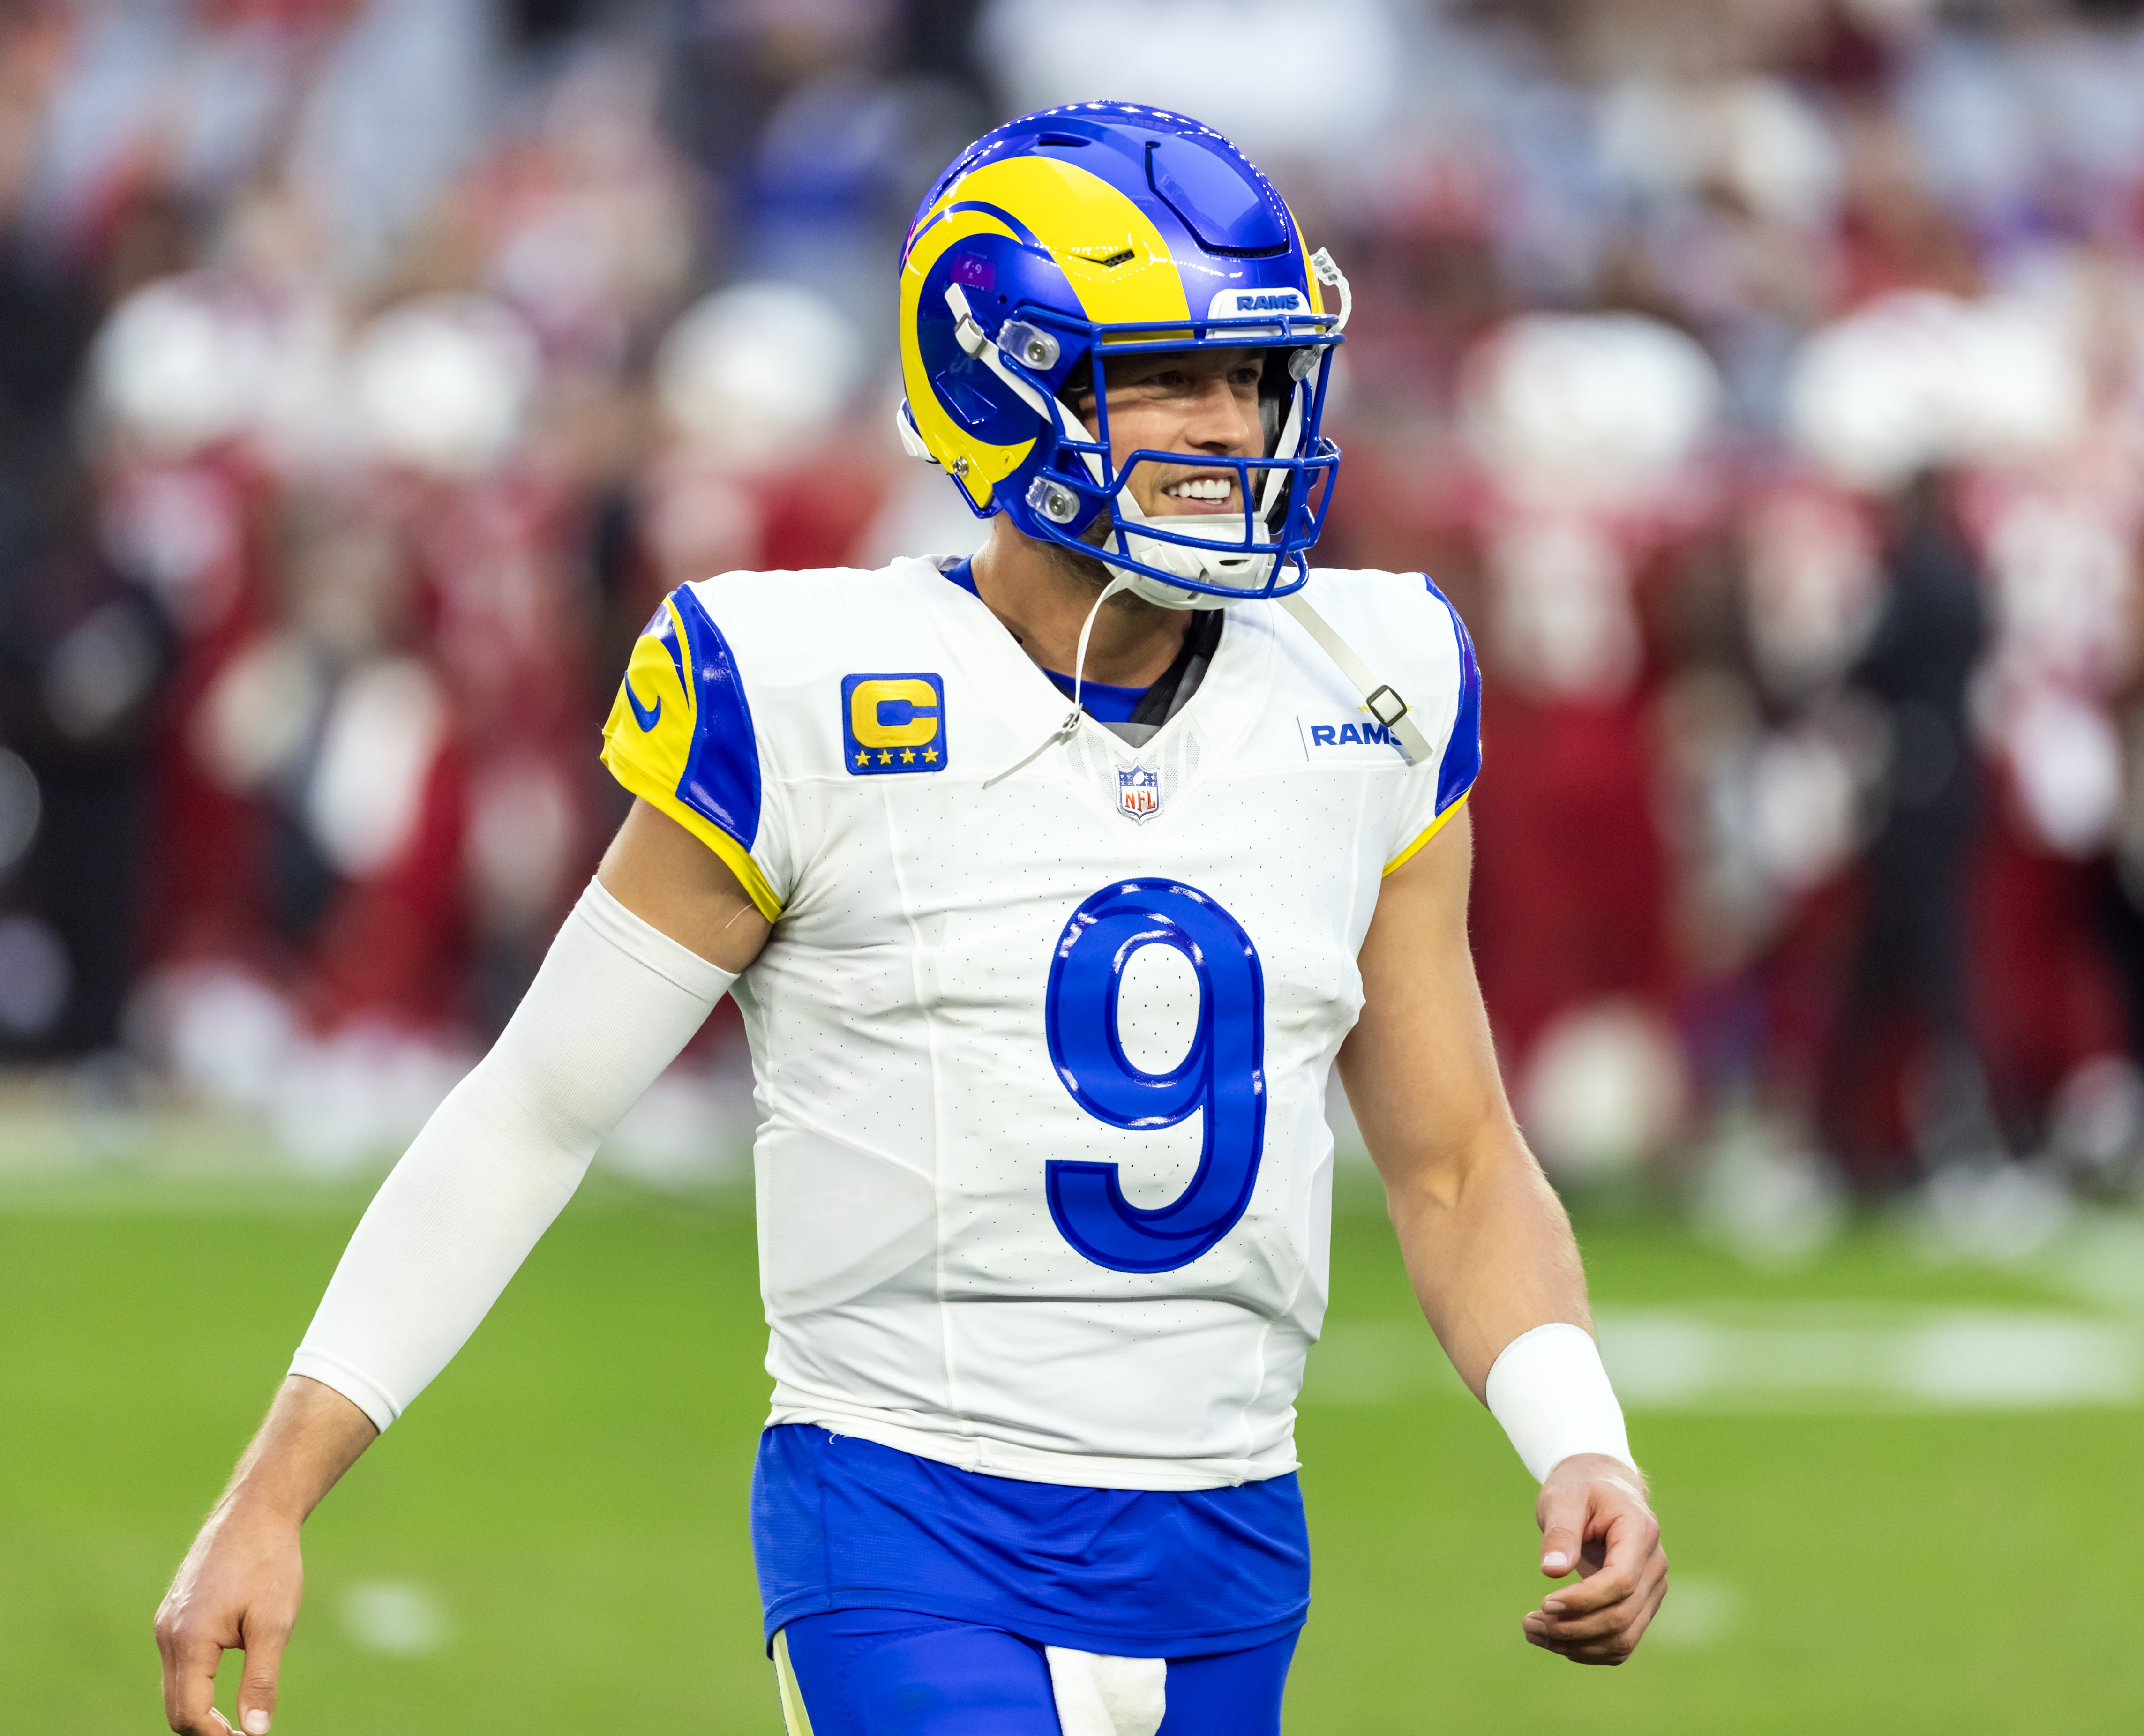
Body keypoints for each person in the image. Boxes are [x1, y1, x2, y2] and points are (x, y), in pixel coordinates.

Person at [156, 103, 1665, 1736]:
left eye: (1252, 374)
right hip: (906, 1518)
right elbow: (535, 1108)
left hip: (1232, 1534)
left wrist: (1579, 1434)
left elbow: (1450, 1160)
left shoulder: (1369, 677)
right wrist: (275, 1488)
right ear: (1001, 384)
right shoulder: (812, 691)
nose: (1233, 425)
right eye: (1167, 375)